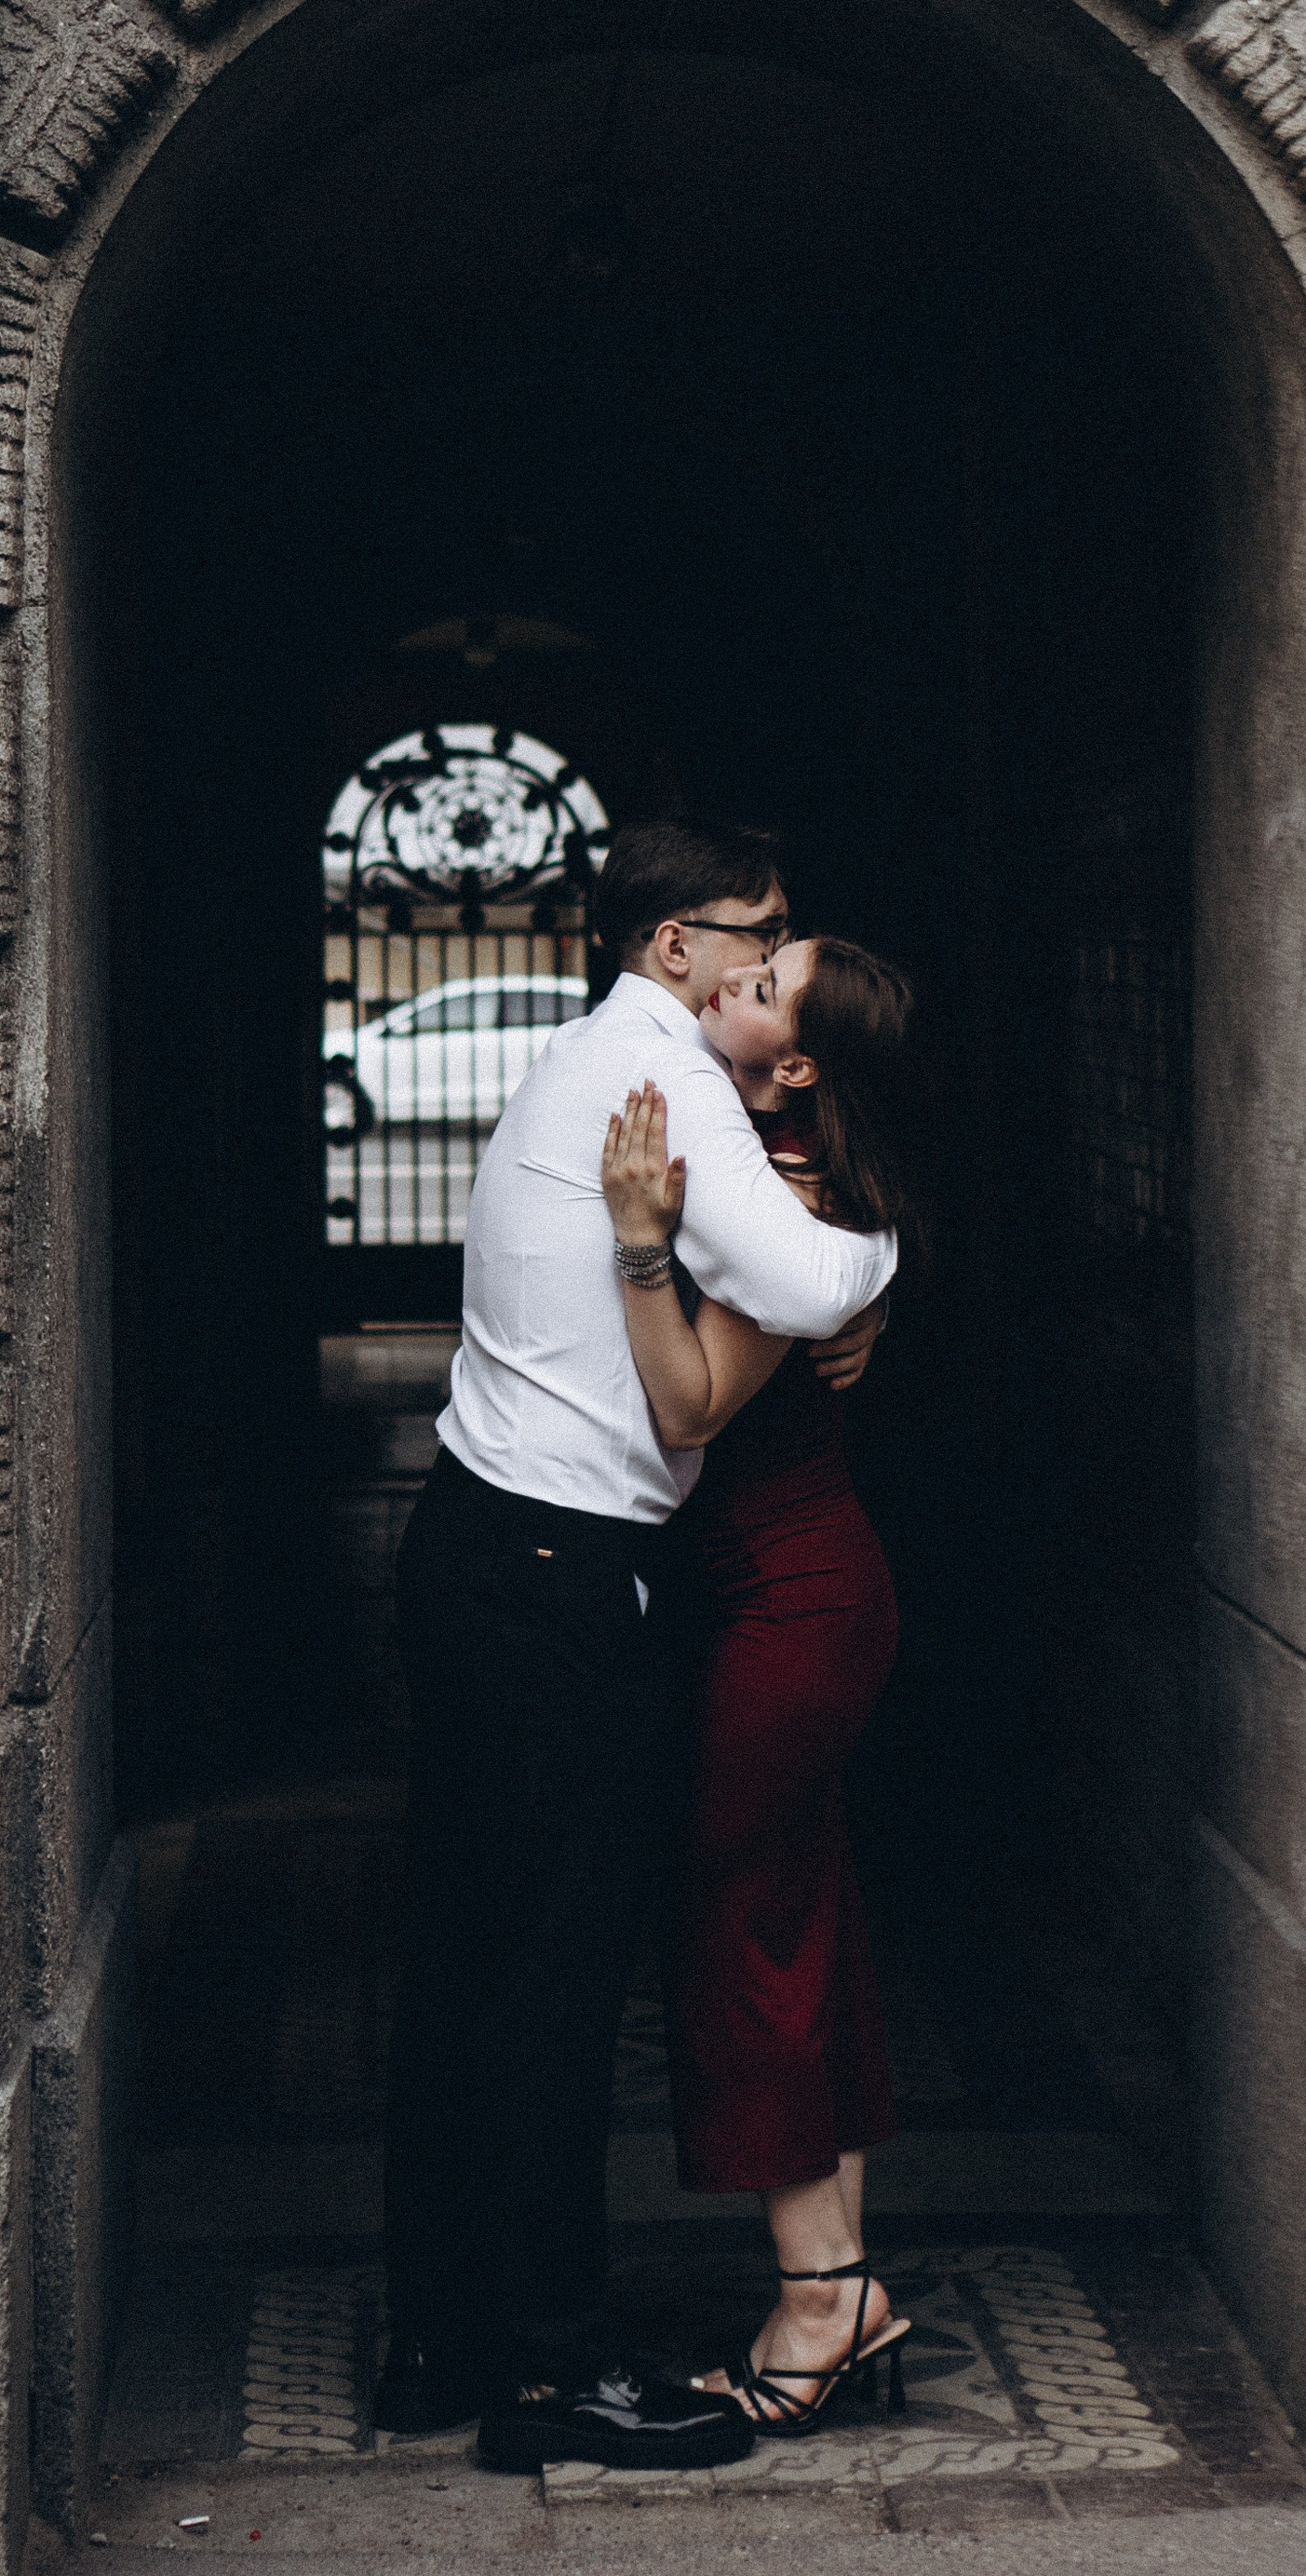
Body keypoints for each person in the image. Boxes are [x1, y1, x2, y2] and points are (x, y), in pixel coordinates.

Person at [376, 824, 896, 2475]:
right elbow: (807, 1274)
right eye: (762, 929)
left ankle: (439, 2336)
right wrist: (879, 1268)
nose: (772, 949)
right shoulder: (663, 1078)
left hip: (483, 1544)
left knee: (471, 1958)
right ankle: (548, 2376)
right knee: (552, 1976)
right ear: (679, 947)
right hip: (556, 1568)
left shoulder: (602, 1056)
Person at [599, 932, 917, 2440]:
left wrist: (637, 1245)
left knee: (745, 1930)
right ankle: (842, 2282)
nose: (730, 978)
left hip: (791, 1607)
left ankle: (813, 2297)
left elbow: (687, 1406)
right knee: (799, 1914)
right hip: (789, 1596)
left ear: (794, 1063)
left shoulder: (782, 1196)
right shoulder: (780, 1167)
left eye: (764, 983)